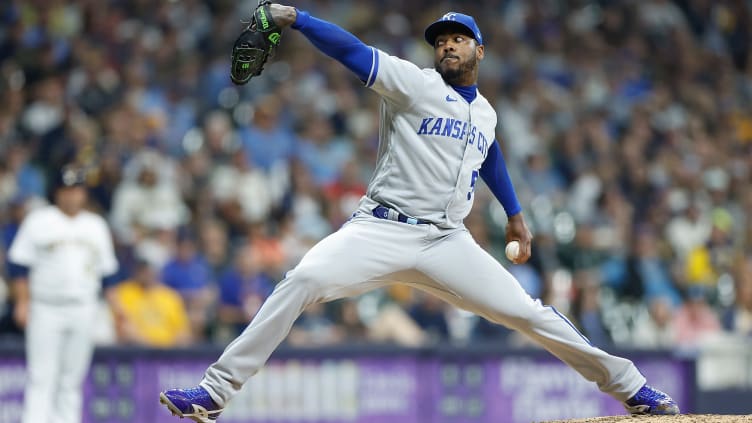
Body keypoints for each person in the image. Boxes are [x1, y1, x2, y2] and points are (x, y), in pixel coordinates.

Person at [160, 6, 679, 422]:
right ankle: (214, 391)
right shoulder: (414, 84)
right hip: (381, 228)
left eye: (457, 37)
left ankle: (631, 389)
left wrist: (515, 213)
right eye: (440, 39)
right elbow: (353, 51)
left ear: (480, 49)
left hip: (447, 242)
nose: (446, 44)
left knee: (528, 313)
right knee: (302, 280)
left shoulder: (487, 111)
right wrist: (297, 19)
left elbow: (489, 151)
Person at [8, 165, 118, 423]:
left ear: (84, 193)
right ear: (57, 192)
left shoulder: (96, 225)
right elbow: (18, 265)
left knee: (72, 378)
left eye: (77, 189)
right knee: (41, 376)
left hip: (83, 306)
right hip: (46, 306)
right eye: (67, 189)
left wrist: (118, 311)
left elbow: (108, 275)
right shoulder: (39, 220)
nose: (72, 195)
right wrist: (22, 302)